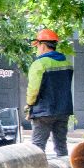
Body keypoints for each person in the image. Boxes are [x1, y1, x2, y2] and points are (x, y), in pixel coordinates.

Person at [26, 28, 74, 158]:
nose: (37, 49)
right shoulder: (67, 63)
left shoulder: (39, 64)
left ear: (42, 45)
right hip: (63, 110)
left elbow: (33, 89)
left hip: (44, 111)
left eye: (37, 46)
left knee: (37, 146)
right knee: (61, 145)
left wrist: (29, 105)